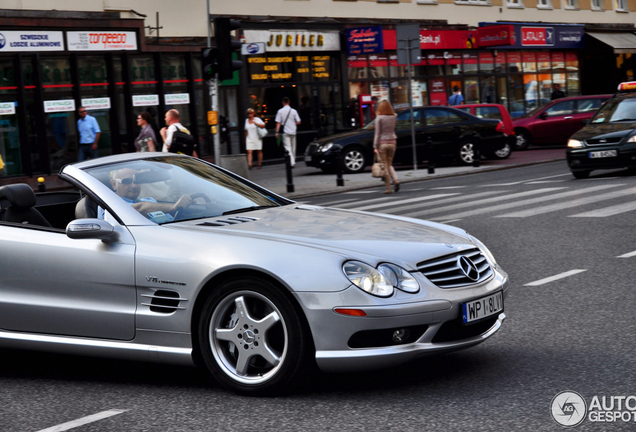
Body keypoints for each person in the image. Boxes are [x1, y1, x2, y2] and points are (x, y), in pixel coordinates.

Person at [99, 167, 192, 222]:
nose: (133, 185)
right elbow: (139, 209)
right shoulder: (109, 206)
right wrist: (173, 207)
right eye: (127, 181)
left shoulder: (150, 201)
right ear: (114, 184)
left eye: (137, 180)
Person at [373, 100, 399, 194]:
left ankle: (388, 188)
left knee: (384, 165)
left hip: (382, 143)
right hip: (392, 142)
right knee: (389, 163)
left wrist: (375, 146)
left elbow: (378, 133)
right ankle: (395, 180)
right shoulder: (394, 116)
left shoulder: (379, 118)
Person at [275, 97, 301, 167]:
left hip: (285, 132)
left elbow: (278, 123)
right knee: (293, 147)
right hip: (293, 131)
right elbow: (298, 121)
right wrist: (293, 124)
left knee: (287, 147)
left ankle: (291, 162)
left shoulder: (280, 111)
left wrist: (277, 132)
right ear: (289, 102)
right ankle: (293, 160)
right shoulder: (294, 111)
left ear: (283, 103)